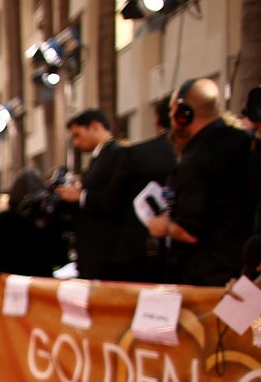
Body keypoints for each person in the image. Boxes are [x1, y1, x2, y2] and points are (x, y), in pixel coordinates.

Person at [147, 78, 254, 287]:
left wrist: (166, 226)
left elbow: (191, 231)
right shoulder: (245, 141)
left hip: (209, 275)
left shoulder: (196, 160)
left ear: (183, 114)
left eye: (172, 111)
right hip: (243, 270)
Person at [106, 96, 177, 283]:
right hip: (187, 256)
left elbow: (113, 200)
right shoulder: (202, 154)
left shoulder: (135, 154)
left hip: (139, 252)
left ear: (157, 120)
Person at [55, 109, 124, 280]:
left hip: (106, 251)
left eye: (77, 135)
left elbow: (115, 198)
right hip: (94, 250)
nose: (76, 143)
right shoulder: (100, 156)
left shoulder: (116, 154)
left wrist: (80, 196)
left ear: (95, 126)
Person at [0, 167, 70, 277]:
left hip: (10, 281)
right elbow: (61, 258)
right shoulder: (48, 220)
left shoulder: (3, 220)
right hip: (40, 282)